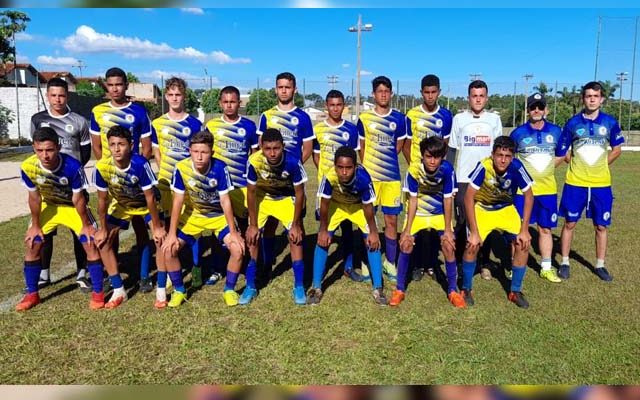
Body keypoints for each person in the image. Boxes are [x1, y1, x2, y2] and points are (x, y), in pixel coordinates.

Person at [16, 127, 105, 311]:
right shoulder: (28, 166)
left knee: (90, 242)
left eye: (49, 150)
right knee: (33, 242)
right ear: (34, 148)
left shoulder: (73, 166)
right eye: (40, 150)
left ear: (57, 147)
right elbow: (34, 197)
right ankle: (32, 294)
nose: (45, 155)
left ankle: (98, 293)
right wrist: (35, 225)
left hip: (72, 207)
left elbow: (78, 198)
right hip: (50, 206)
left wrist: (87, 225)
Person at [161, 131, 245, 307]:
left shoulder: (220, 168)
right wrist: (170, 233)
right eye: (195, 151)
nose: (199, 156)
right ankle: (179, 290)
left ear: (212, 153)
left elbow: (225, 201)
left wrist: (234, 231)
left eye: (204, 152)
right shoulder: (181, 168)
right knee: (168, 249)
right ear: (189, 151)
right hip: (194, 216)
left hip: (218, 216)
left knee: (237, 249)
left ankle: (229, 290)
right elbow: (177, 201)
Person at [90, 67, 154, 290]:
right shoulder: (97, 111)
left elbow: (146, 148)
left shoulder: (138, 111)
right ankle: (112, 273)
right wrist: (111, 172)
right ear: (106, 87)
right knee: (110, 230)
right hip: (113, 183)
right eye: (111, 84)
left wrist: (135, 171)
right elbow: (97, 147)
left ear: (126, 85)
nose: (115, 88)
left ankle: (145, 275)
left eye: (119, 84)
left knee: (140, 228)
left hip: (135, 181)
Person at [557, 81, 624, 281]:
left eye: (596, 96)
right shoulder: (572, 123)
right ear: (583, 99)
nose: (592, 99)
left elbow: (617, 149)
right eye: (588, 96)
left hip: (601, 184)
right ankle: (565, 262)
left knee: (601, 226)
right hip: (575, 183)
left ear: (601, 99)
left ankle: (600, 265)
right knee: (570, 223)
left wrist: (602, 165)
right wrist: (574, 163)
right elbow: (562, 151)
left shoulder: (610, 123)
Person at [29, 77, 91, 292]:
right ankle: (44, 273)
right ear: (47, 96)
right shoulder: (38, 119)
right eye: (53, 95)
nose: (57, 99)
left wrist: (69, 172)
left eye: (61, 95)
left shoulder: (79, 121)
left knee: (80, 229)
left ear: (67, 96)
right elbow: (37, 149)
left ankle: (83, 272)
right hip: (48, 185)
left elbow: (85, 153)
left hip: (72, 182)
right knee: (46, 231)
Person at [93, 126, 165, 309]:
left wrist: (156, 226)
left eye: (121, 144)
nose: (117, 149)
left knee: (160, 240)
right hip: (123, 205)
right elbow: (102, 200)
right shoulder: (102, 167)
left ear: (131, 145)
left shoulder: (140, 164)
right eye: (113, 144)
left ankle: (162, 286)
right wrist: (103, 228)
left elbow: (149, 197)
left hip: (144, 205)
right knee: (103, 241)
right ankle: (118, 289)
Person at [308, 146, 387, 306]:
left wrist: (373, 232)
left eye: (348, 168)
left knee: (372, 241)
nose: (344, 172)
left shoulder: (363, 178)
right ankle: (316, 287)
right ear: (335, 166)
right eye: (340, 167)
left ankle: (378, 288)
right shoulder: (329, 177)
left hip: (358, 207)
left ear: (355, 167)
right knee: (322, 239)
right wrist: (323, 230)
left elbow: (368, 207)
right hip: (336, 206)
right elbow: (324, 204)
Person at [461, 136, 534, 308]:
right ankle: (466, 288)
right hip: (483, 208)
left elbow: (529, 196)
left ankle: (515, 291)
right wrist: (474, 231)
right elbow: (468, 197)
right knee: (472, 245)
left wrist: (524, 230)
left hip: (505, 209)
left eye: (507, 156)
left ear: (513, 157)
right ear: (492, 154)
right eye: (499, 155)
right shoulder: (484, 167)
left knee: (523, 243)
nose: (503, 160)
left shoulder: (517, 167)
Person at [393, 136, 464, 308]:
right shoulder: (414, 170)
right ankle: (399, 289)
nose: (432, 161)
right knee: (406, 244)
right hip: (418, 213)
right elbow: (413, 200)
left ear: (442, 157)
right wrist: (407, 229)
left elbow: (448, 200)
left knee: (448, 245)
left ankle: (453, 290)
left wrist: (448, 229)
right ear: (422, 156)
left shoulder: (447, 170)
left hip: (439, 214)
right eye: (428, 156)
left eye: (437, 157)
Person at [244, 128, 308, 305]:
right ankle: (251, 285)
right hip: (263, 197)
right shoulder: (254, 161)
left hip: (286, 197)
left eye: (276, 148)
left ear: (283, 146)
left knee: (295, 238)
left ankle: (299, 285)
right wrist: (253, 224)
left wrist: (296, 224)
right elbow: (250, 192)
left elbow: (300, 193)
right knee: (252, 237)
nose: (272, 153)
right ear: (261, 148)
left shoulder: (293, 162)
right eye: (267, 149)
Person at [257, 72, 314, 270]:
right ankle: (267, 260)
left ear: (294, 90)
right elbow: (260, 145)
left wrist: (293, 167)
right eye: (280, 87)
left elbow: (307, 147)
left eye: (287, 87)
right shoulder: (267, 116)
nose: (284, 90)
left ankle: (300, 263)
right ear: (276, 89)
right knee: (270, 222)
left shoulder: (303, 117)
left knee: (297, 221)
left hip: (292, 179)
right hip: (270, 179)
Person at [448, 80, 503, 280]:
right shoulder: (459, 119)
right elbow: (452, 149)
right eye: (474, 95)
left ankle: (484, 262)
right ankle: (463, 262)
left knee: (484, 220)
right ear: (468, 97)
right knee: (463, 221)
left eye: (481, 95)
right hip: (464, 179)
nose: (478, 99)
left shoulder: (494, 120)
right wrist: (450, 178)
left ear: (486, 98)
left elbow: (499, 152)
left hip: (487, 180)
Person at [151, 77, 202, 290]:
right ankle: (172, 269)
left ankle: (197, 267)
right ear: (166, 96)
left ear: (184, 96)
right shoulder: (157, 124)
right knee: (166, 225)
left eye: (178, 94)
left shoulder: (195, 124)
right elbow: (158, 154)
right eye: (170, 95)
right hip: (166, 184)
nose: (174, 98)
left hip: (191, 184)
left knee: (194, 224)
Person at [204, 85, 259, 285]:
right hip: (219, 189)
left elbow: (254, 155)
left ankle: (246, 265)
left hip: (242, 186)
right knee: (219, 228)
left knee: (245, 226)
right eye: (225, 102)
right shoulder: (211, 126)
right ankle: (217, 268)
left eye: (233, 101)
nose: (229, 105)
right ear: (220, 103)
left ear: (239, 103)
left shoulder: (249, 126)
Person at [510, 93, 565, 283]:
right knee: (518, 230)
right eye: (533, 107)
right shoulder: (517, 133)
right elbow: (510, 159)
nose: (536, 110)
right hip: (522, 192)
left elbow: (562, 155)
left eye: (540, 107)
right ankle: (514, 265)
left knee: (545, 229)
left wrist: (546, 170)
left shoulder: (557, 131)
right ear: (528, 111)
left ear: (546, 110)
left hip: (547, 190)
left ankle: (546, 267)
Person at [404, 74, 453, 281]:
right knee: (415, 220)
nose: (430, 96)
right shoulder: (412, 115)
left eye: (434, 92)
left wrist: (438, 170)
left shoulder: (446, 115)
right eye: (427, 92)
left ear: (439, 92)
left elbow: (446, 146)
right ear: (421, 92)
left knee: (435, 222)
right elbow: (406, 145)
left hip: (437, 178)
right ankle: (416, 264)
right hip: (419, 176)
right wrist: (415, 169)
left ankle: (432, 262)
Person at [358, 76, 408, 282]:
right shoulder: (364, 119)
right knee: (367, 220)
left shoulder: (399, 119)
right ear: (373, 94)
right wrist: (371, 167)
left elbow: (398, 146)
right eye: (379, 91)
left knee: (391, 220)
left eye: (387, 91)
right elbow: (361, 148)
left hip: (391, 179)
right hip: (370, 178)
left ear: (391, 93)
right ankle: (368, 261)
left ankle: (390, 263)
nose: (383, 94)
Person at [312, 89, 363, 281]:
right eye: (332, 105)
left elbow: (354, 157)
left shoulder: (351, 129)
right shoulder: (318, 129)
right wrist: (327, 175)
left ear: (344, 106)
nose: (335, 108)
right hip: (326, 189)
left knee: (348, 227)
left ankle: (348, 266)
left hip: (347, 188)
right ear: (326, 106)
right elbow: (316, 156)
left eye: (339, 104)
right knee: (325, 227)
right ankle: (320, 269)